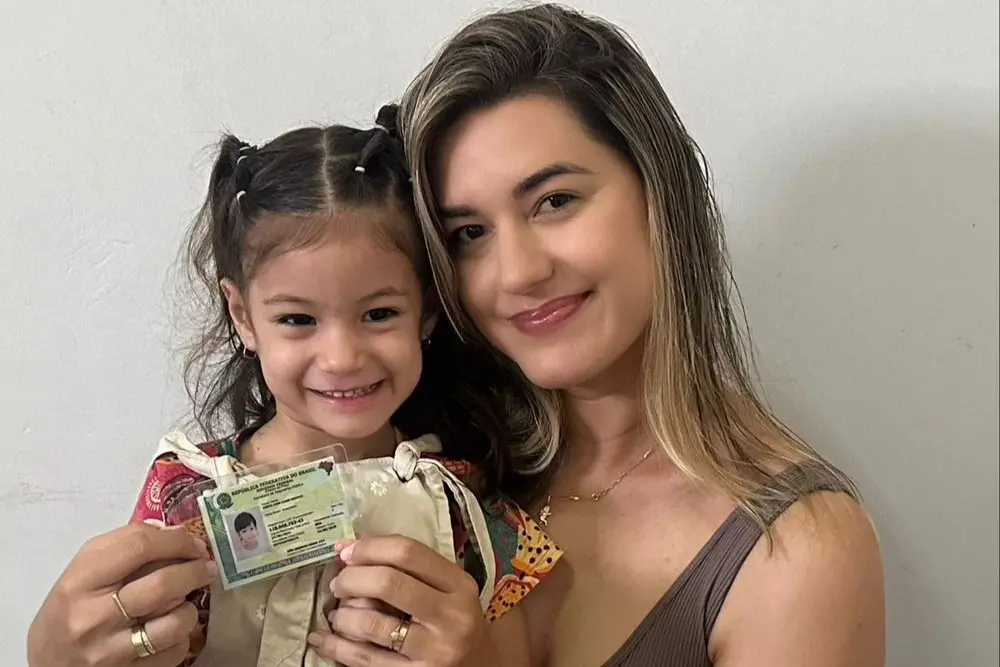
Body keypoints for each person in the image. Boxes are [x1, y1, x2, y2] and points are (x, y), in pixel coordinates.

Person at [312, 4, 884, 667]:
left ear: (659, 192)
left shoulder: (797, 548)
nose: (519, 272)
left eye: (555, 201)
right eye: (470, 233)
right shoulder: (431, 469)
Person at [26, 109, 561, 667]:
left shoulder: (465, 503)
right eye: (298, 320)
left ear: (426, 310)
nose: (342, 358)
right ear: (243, 316)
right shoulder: (183, 492)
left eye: (379, 313)